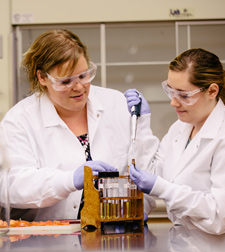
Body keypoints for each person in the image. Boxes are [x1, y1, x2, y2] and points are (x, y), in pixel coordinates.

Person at [0, 29, 157, 221]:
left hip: (114, 236)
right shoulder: (19, 120)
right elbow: (11, 186)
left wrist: (140, 208)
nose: (79, 87)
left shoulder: (115, 103)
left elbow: (144, 169)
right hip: (47, 242)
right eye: (65, 81)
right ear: (42, 78)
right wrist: (69, 181)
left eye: (83, 76)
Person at [124, 48, 225, 242]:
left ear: (212, 91)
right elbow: (150, 174)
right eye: (170, 91)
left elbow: (218, 217)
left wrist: (163, 189)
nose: (173, 103)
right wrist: (142, 123)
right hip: (184, 245)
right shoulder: (180, 129)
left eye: (183, 95)